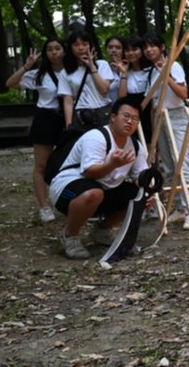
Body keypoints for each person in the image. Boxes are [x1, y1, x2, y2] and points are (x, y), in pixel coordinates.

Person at [49, 96, 149, 259]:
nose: (130, 122)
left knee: (138, 195)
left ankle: (102, 231)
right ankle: (70, 236)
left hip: (103, 190)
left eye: (135, 119)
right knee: (94, 193)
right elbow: (89, 172)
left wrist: (149, 192)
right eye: (126, 116)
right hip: (66, 190)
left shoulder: (136, 146)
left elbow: (141, 176)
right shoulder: (96, 137)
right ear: (113, 117)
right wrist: (113, 164)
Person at [5, 37, 67, 223]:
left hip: (68, 118)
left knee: (68, 164)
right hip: (46, 118)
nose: (54, 52)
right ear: (46, 54)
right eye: (49, 49)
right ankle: (44, 207)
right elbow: (11, 83)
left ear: (65, 50)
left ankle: (68, 202)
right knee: (41, 166)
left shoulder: (73, 71)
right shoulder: (39, 74)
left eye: (58, 48)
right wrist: (27, 66)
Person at [142, 33, 189, 229]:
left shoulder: (173, 66)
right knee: (170, 168)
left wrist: (167, 75)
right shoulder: (150, 71)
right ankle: (180, 208)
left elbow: (183, 94)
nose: (149, 50)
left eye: (152, 46)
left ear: (162, 47)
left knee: (181, 164)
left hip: (176, 116)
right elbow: (153, 102)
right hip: (159, 119)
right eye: (146, 47)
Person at [58, 30, 114, 131]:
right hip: (81, 116)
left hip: (103, 113)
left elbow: (104, 89)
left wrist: (92, 67)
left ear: (90, 45)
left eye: (85, 44)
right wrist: (68, 125)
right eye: (76, 45)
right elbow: (68, 100)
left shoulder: (102, 65)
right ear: (70, 48)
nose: (81, 48)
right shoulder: (65, 72)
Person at [117, 35, 154, 142]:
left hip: (148, 112)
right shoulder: (125, 72)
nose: (131, 53)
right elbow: (121, 98)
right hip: (131, 113)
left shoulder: (150, 70)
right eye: (127, 50)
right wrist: (123, 73)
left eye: (135, 49)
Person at [104, 36, 125, 101]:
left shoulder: (130, 67)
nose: (114, 50)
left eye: (118, 48)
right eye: (110, 47)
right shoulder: (102, 68)